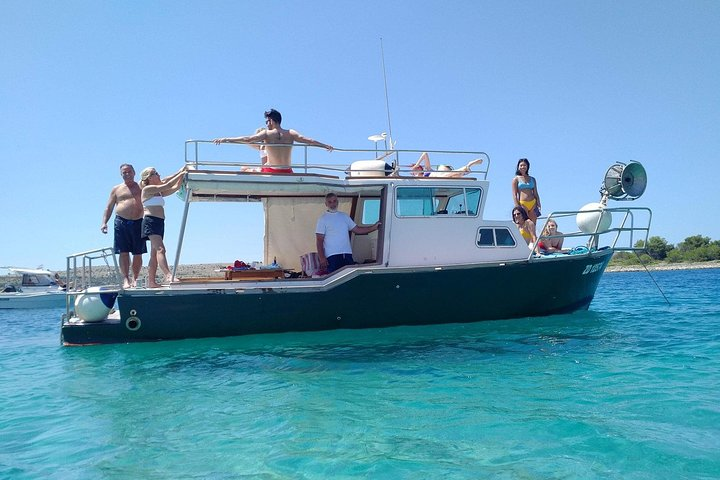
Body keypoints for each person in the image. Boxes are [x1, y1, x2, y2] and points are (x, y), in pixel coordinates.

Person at [213, 109, 333, 173]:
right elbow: (308, 140)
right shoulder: (291, 133)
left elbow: (247, 139)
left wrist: (225, 139)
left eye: (267, 121)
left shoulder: (266, 133)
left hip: (272, 170)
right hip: (287, 170)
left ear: (271, 120)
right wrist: (324, 145)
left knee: (244, 169)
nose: (266, 124)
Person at [139, 166, 187, 288]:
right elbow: (167, 184)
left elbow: (174, 186)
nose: (159, 175)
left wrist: (182, 172)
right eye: (156, 173)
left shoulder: (158, 192)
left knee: (154, 253)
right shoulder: (148, 189)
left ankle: (151, 281)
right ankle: (168, 275)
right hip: (150, 221)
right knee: (161, 249)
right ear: (149, 178)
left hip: (159, 222)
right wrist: (182, 172)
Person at [101, 163, 146, 288]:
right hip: (121, 222)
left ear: (134, 172)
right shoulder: (116, 189)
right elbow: (108, 207)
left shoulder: (141, 186)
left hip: (138, 222)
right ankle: (126, 279)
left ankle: (135, 278)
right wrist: (104, 223)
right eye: (124, 172)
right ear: (121, 174)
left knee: (138, 253)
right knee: (123, 252)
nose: (127, 174)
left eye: (129, 171)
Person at [316, 193, 381, 273]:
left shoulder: (344, 216)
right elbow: (319, 240)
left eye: (334, 201)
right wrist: (322, 257)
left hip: (347, 254)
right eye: (330, 202)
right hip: (332, 256)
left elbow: (357, 229)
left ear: (337, 202)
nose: (333, 204)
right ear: (326, 204)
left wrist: (374, 227)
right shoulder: (323, 219)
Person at [512, 158, 542, 223]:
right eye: (521, 165)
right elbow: (514, 195)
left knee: (533, 223)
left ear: (527, 166)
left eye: (524, 165)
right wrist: (517, 207)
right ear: (518, 167)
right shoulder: (516, 179)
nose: (523, 167)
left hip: (533, 203)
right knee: (524, 223)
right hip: (523, 203)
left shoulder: (532, 179)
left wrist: (539, 203)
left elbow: (536, 193)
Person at [410, 153, 484, 177]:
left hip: (441, 174)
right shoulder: (418, 178)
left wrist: (417, 164)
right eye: (414, 172)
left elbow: (425, 154)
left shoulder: (427, 169)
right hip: (442, 176)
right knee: (457, 176)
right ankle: (469, 165)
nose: (415, 171)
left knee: (446, 175)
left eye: (416, 169)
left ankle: (467, 166)